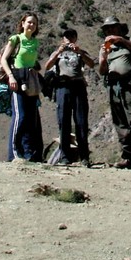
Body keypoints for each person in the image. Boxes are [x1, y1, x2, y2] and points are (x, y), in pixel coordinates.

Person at [96, 16, 131, 169]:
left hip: (129, 85)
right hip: (113, 87)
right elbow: (102, 71)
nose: (110, 30)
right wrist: (103, 59)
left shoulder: (130, 40)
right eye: (107, 28)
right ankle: (128, 157)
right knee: (120, 123)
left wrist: (121, 40)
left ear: (119, 28)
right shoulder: (105, 47)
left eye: (113, 27)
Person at [42, 28, 96, 166]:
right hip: (62, 87)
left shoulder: (80, 52)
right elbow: (47, 66)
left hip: (78, 86)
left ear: (76, 38)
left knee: (81, 122)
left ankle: (84, 156)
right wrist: (58, 52)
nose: (69, 39)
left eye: (72, 37)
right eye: (67, 37)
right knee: (63, 121)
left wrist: (79, 52)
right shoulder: (58, 53)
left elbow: (91, 64)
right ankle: (64, 156)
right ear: (63, 39)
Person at [0, 13, 45, 162]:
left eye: (34, 24)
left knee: (31, 117)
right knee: (20, 116)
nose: (31, 25)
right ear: (23, 23)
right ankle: (14, 154)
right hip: (17, 81)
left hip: (30, 82)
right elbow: (4, 59)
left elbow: (33, 61)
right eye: (29, 22)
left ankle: (29, 153)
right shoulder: (16, 39)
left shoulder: (35, 42)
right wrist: (11, 76)